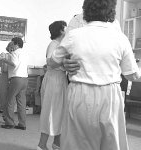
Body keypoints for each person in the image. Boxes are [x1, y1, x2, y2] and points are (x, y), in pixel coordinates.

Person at [49, 0, 141, 149]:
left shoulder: (73, 34)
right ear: (112, 10)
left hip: (80, 92)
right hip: (109, 94)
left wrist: (66, 60)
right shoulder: (120, 37)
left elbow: (52, 62)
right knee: (111, 142)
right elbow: (132, 75)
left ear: (86, 10)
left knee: (76, 143)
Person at [37, 21, 68, 150]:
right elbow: (50, 63)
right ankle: (42, 145)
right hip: (54, 79)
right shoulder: (54, 44)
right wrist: (66, 61)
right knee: (50, 111)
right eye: (66, 28)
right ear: (60, 30)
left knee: (61, 113)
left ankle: (57, 144)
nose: (68, 30)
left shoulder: (62, 45)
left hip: (60, 79)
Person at [0, 37, 28, 130]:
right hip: (25, 79)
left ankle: (9, 122)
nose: (11, 45)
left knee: (9, 100)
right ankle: (22, 124)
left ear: (16, 44)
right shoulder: (25, 53)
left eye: (12, 44)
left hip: (16, 79)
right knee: (21, 102)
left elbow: (14, 63)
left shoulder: (14, 53)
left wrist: (3, 59)